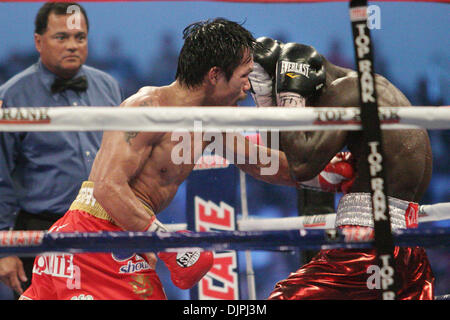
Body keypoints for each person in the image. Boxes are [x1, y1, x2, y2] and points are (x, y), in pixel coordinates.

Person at [249, 37, 434, 300]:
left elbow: (300, 165)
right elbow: (280, 156)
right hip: (407, 248)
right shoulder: (370, 90)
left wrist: (281, 98)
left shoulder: (346, 93)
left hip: (366, 245)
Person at [0, 2, 122, 298]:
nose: (72, 45)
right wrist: (3, 247)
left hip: (103, 227)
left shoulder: (108, 87)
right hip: (40, 230)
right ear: (38, 41)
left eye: (79, 37)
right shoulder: (13, 96)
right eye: (61, 37)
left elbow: (124, 163)